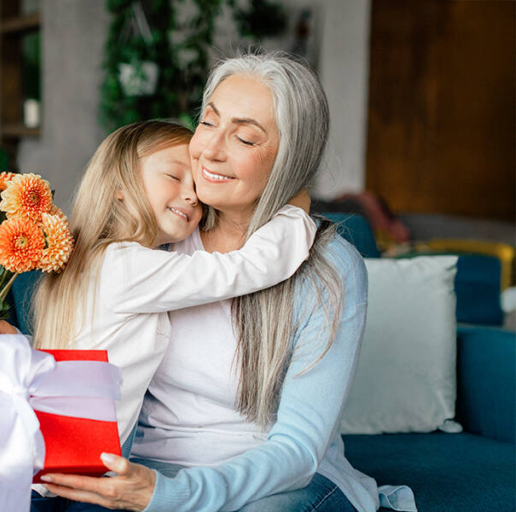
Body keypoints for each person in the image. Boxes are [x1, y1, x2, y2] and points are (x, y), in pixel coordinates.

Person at [33, 52, 418, 512]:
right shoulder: (162, 235)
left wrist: (175, 496)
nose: (210, 150)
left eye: (245, 137)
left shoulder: (328, 269)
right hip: (145, 470)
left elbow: (298, 451)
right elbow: (83, 342)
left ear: (288, 160)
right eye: (208, 122)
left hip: (275, 482)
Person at [0, 119, 318, 511]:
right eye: (175, 177)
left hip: (39, 473)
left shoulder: (87, 259)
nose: (191, 196)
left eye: (197, 188)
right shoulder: (128, 265)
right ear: (120, 186)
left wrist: (13, 343)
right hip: (40, 483)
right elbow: (242, 270)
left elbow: (69, 365)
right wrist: (292, 208)